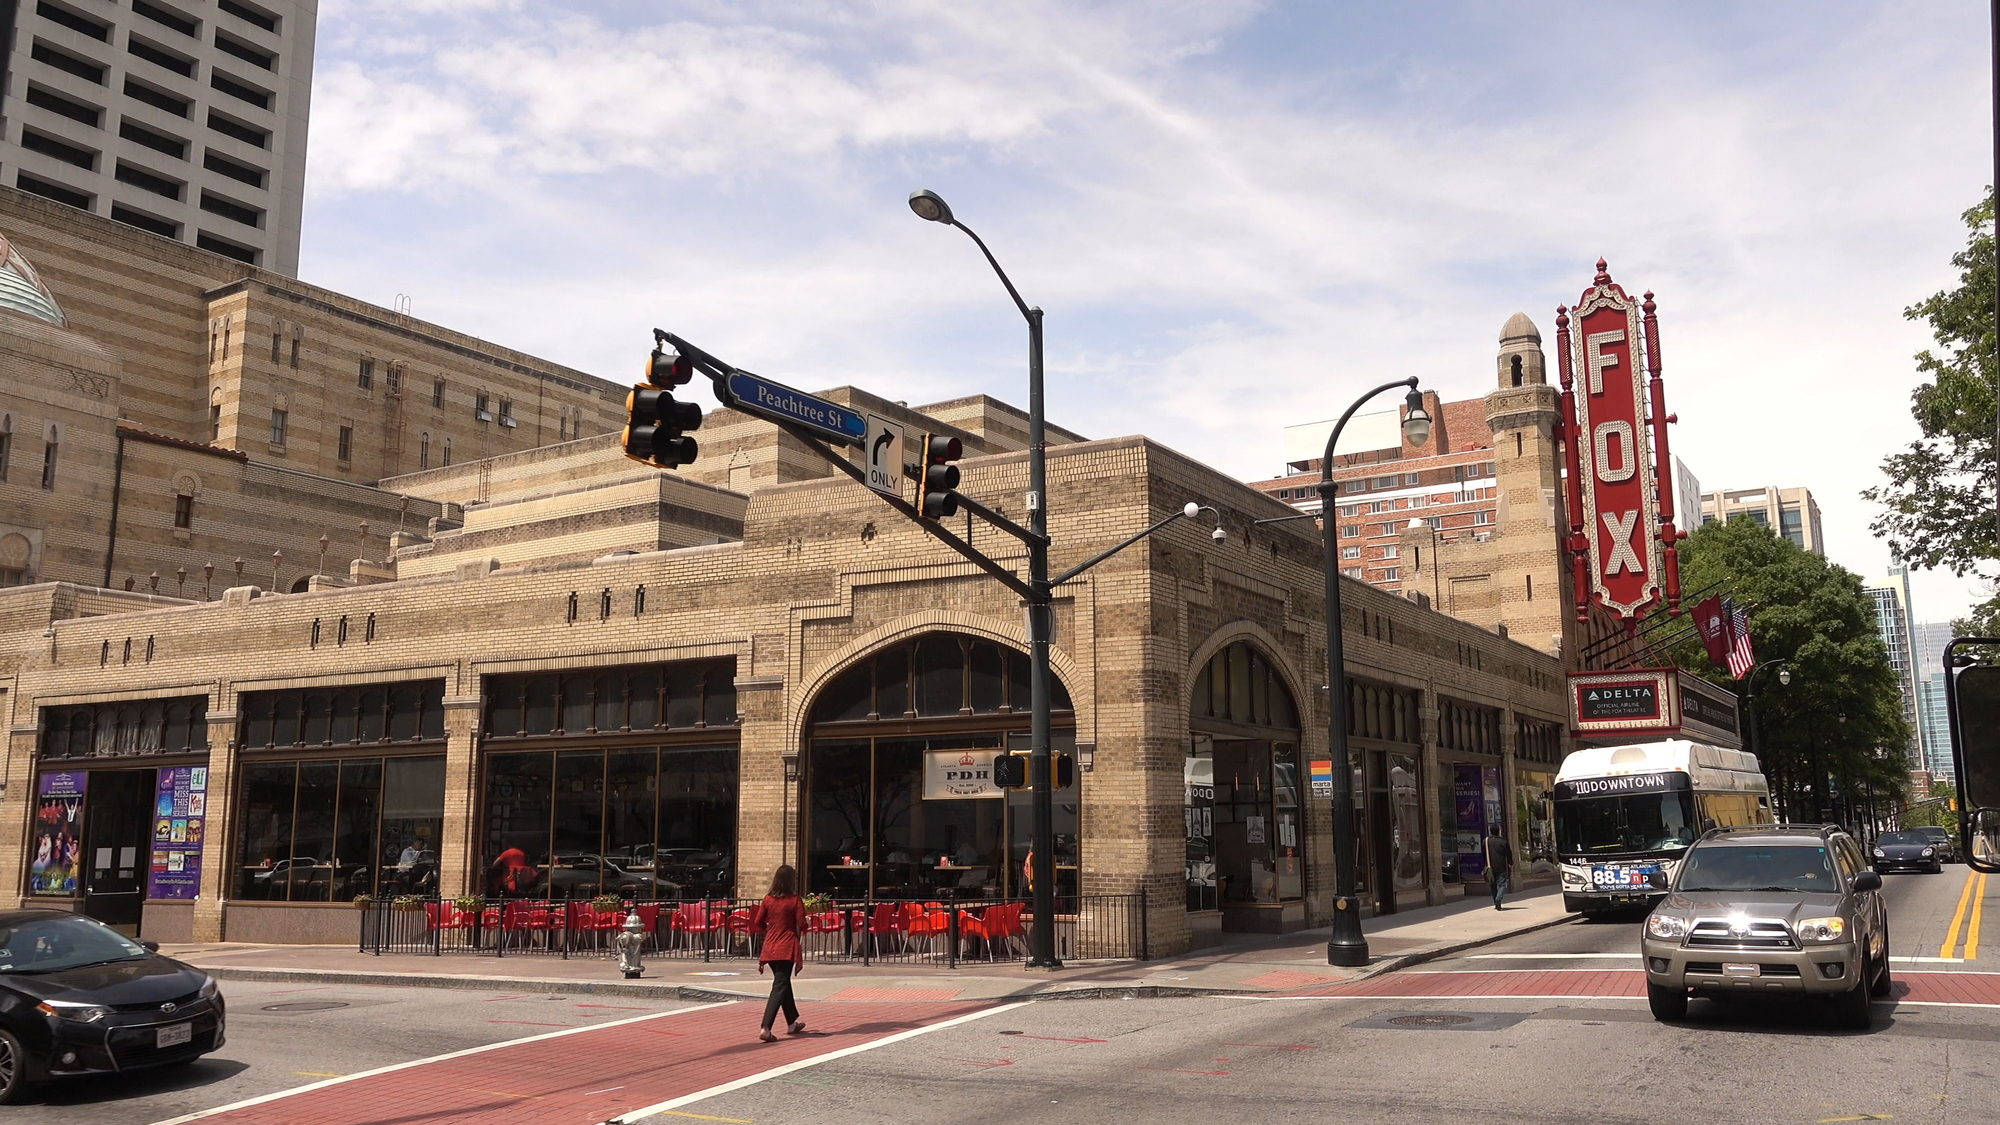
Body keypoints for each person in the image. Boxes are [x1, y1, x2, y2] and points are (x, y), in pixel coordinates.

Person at [751, 864, 807, 1043]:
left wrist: (771, 928)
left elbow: (758, 922)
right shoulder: (795, 900)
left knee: (783, 983)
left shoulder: (768, 899)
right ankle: (766, 1027)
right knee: (779, 985)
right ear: (791, 881)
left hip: (770, 946)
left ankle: (792, 1022)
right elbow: (802, 923)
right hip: (786, 946)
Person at [1485, 826, 1513, 910]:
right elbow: (1509, 853)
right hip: (1501, 866)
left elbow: (1484, 853)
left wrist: (1486, 863)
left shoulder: (1486, 841)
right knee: (1502, 884)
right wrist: (1510, 862)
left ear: (1490, 831)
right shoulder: (1503, 842)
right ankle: (1498, 899)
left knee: (1493, 885)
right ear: (1499, 831)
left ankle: (1496, 902)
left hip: (1490, 866)